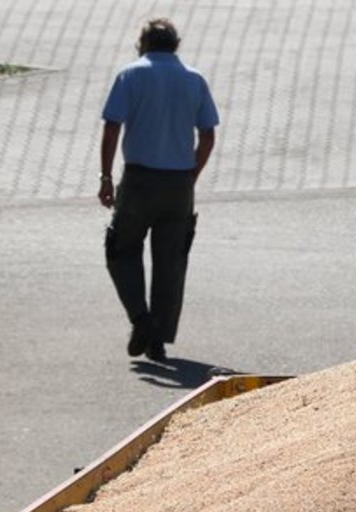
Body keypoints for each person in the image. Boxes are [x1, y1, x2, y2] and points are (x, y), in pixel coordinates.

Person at [98, 18, 219, 362]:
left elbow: (112, 128)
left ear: (143, 44)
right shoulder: (194, 80)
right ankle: (158, 337)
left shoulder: (131, 75)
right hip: (179, 183)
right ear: (176, 45)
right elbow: (208, 135)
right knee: (171, 260)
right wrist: (191, 174)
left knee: (121, 249)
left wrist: (106, 177)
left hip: (138, 180)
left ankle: (141, 318)